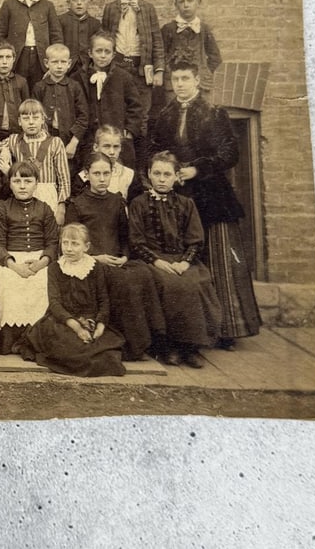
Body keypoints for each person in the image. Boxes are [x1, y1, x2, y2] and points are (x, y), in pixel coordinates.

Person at [148, 60, 260, 349]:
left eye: (186, 78)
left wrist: (197, 169)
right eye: (176, 79)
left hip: (211, 196)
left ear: (197, 81)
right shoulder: (164, 115)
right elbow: (154, 149)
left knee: (219, 259)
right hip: (179, 196)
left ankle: (227, 329)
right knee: (185, 260)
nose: (180, 84)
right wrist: (169, 169)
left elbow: (229, 153)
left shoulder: (214, 113)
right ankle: (193, 329)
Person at [65, 151, 162, 361]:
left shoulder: (117, 201)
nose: (102, 179)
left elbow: (125, 236)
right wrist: (94, 257)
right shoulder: (77, 204)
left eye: (106, 174)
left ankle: (152, 341)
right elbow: (70, 241)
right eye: (97, 173)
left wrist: (125, 256)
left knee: (144, 273)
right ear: (86, 174)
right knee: (122, 282)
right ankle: (130, 346)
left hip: (117, 259)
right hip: (90, 261)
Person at [128, 151, 220, 368]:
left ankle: (190, 347)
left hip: (181, 260)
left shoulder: (186, 204)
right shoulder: (138, 203)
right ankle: (168, 346)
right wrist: (157, 261)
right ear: (149, 174)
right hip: (151, 261)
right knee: (169, 285)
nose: (161, 179)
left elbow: (196, 240)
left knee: (194, 282)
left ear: (176, 176)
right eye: (157, 173)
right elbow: (136, 241)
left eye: (167, 174)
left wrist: (184, 262)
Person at [22, 223, 127, 377]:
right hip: (63, 320)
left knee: (104, 351)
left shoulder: (96, 267)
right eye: (65, 243)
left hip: (90, 319)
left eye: (75, 244)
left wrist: (100, 326)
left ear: (86, 247)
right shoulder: (55, 268)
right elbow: (55, 303)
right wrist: (77, 328)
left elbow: (104, 300)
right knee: (69, 347)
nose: (69, 248)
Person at [0, 161, 59, 354]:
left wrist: (41, 263)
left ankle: (36, 341)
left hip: (40, 259)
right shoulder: (2, 209)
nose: (22, 185)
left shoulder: (45, 209)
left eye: (27, 181)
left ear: (36, 183)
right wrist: (14, 266)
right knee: (7, 282)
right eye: (17, 180)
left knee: (42, 282)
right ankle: (9, 342)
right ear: (10, 183)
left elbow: (53, 243)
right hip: (10, 261)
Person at [100, 0, 165, 139]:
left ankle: (140, 165)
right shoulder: (111, 8)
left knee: (142, 115)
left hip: (141, 70)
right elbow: (104, 39)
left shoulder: (148, 9)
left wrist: (159, 70)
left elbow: (157, 41)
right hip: (118, 66)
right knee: (117, 113)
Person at [0, 0, 63, 91]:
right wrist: (5, 58)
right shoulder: (9, 5)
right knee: (18, 90)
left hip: (41, 58)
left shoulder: (47, 6)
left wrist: (53, 61)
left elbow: (56, 36)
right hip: (18, 59)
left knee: (40, 90)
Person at [0, 99, 71, 223]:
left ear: (43, 119)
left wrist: (61, 207)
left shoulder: (55, 143)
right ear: (20, 121)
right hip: (23, 192)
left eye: (35, 118)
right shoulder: (14, 140)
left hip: (48, 194)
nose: (31, 122)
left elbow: (64, 179)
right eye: (26, 119)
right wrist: (4, 150)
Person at [77, 30, 143, 171]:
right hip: (89, 138)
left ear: (113, 55)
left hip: (116, 138)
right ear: (90, 53)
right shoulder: (78, 77)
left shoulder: (123, 77)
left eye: (107, 52)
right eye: (98, 51)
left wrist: (129, 130)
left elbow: (136, 106)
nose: (102, 55)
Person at [160, 0, 223, 102]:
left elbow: (215, 57)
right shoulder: (168, 29)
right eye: (181, 2)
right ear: (175, 5)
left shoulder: (204, 29)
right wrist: (169, 73)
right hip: (174, 86)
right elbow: (160, 55)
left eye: (190, 1)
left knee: (200, 115)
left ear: (198, 2)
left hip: (199, 85)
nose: (186, 5)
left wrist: (204, 72)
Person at [31, 42, 89, 168]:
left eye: (63, 62)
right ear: (46, 63)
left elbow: (83, 117)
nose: (59, 66)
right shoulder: (39, 87)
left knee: (69, 171)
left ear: (69, 64)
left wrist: (74, 142)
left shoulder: (74, 87)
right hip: (44, 139)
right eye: (55, 62)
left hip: (69, 140)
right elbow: (34, 116)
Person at [0, 42, 30, 141]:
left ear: (14, 59)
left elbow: (27, 108)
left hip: (17, 133)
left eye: (8, 57)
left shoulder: (21, 82)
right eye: (0, 57)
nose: (4, 61)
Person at [59, 0, 102, 75]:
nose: (79, 3)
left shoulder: (95, 23)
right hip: (66, 68)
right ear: (68, 2)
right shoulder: (61, 21)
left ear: (89, 1)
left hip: (88, 68)